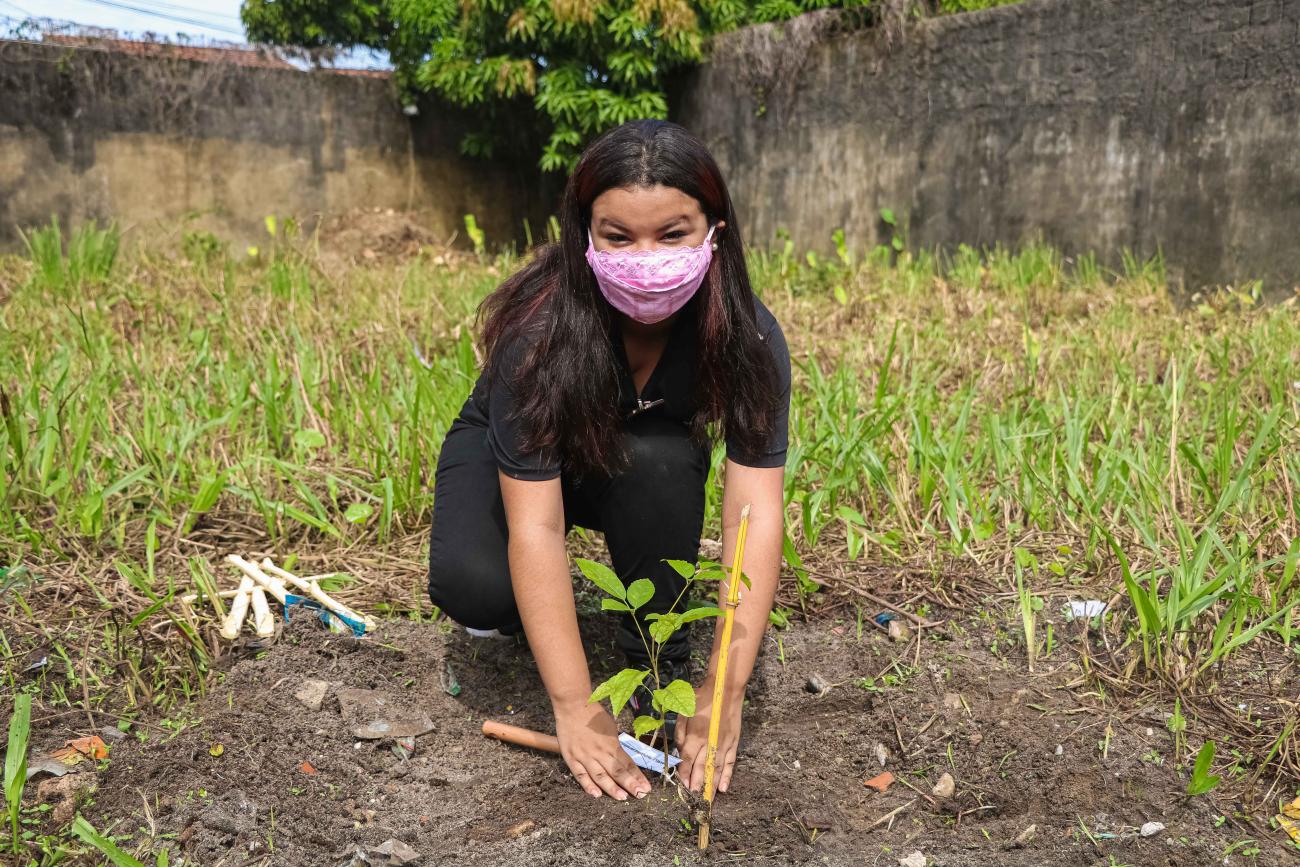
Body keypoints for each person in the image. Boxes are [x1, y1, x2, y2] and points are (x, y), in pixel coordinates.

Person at [427, 119, 791, 802]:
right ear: (584, 234)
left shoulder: (748, 338)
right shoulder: (536, 336)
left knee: (659, 458)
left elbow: (754, 511)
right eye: (619, 236)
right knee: (476, 587)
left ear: (715, 229)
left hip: (631, 458)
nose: (645, 255)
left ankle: (656, 660)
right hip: (522, 459)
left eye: (672, 233)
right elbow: (534, 526)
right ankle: (531, 613)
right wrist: (574, 705)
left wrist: (723, 687)